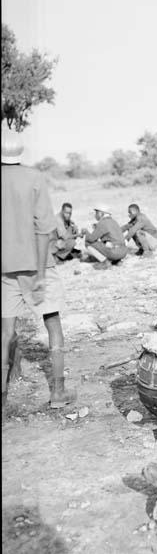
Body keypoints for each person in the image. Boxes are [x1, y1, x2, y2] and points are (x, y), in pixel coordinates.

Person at [1, 129, 77, 411]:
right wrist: (42, 275)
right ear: (20, 151)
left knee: (5, 332)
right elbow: (45, 229)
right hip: (36, 264)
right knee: (53, 324)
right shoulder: (34, 178)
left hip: (5, 266)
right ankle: (58, 392)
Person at [82, 204, 128, 270]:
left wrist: (86, 232)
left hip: (115, 252)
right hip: (123, 252)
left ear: (101, 213)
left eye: (97, 212)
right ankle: (117, 261)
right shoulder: (113, 221)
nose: (95, 215)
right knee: (108, 244)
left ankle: (105, 262)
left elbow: (91, 239)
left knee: (88, 242)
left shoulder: (103, 223)